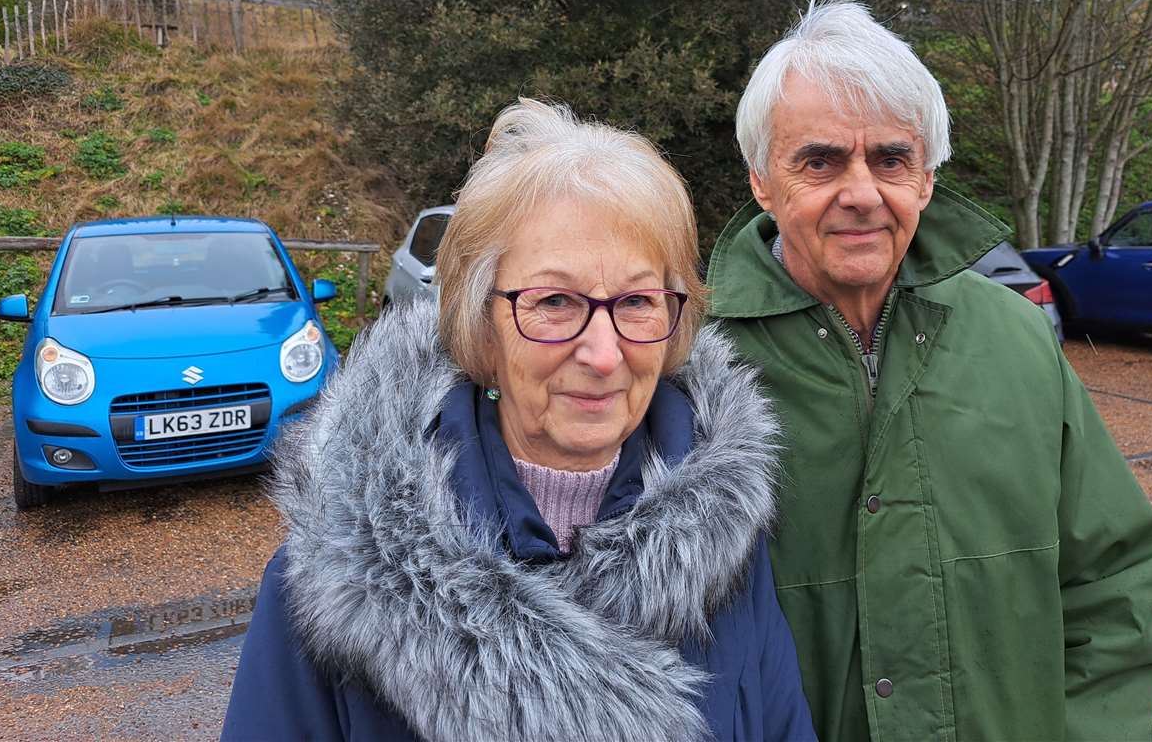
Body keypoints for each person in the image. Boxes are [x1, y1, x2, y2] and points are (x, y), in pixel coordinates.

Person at [223, 99, 815, 742]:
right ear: (482, 323)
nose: (603, 353)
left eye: (638, 301)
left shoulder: (729, 546)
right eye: (555, 301)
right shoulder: (334, 574)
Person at [706, 0, 1152, 742]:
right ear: (762, 180)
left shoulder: (1016, 340)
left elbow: (1110, 576)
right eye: (819, 160)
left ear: (926, 179)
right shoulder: (691, 363)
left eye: (890, 159)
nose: (861, 193)